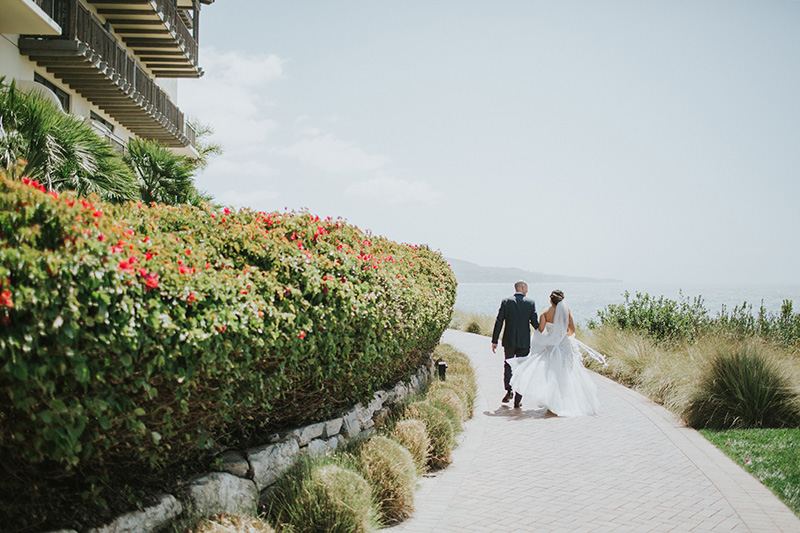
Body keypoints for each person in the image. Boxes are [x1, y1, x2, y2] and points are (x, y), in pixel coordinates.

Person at [506, 290, 605, 417]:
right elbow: (572, 330)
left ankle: (553, 402)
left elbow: (541, 329)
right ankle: (568, 402)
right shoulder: (566, 311)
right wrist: (562, 336)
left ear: (550, 300)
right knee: (567, 374)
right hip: (564, 346)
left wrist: (550, 335)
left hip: (551, 347)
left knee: (552, 375)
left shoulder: (545, 312)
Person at [491, 280, 539, 408]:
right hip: (524, 342)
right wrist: (548, 331)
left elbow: (499, 321)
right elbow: (535, 324)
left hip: (509, 340)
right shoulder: (530, 303)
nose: (527, 290)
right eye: (527, 287)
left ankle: (509, 390)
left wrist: (494, 340)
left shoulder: (506, 302)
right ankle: (518, 399)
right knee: (522, 368)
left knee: (508, 365)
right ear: (523, 287)